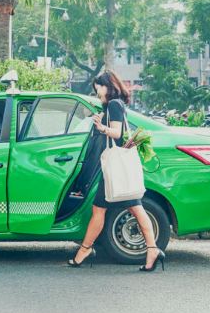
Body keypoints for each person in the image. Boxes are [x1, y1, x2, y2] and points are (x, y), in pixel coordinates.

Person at [67, 70, 165, 272]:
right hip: (115, 168)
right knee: (121, 208)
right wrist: (102, 121)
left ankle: (85, 250)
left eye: (98, 88)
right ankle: (151, 249)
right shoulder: (115, 105)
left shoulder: (114, 104)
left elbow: (117, 133)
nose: (97, 92)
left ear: (107, 86)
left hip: (115, 167)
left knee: (125, 208)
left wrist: (100, 126)